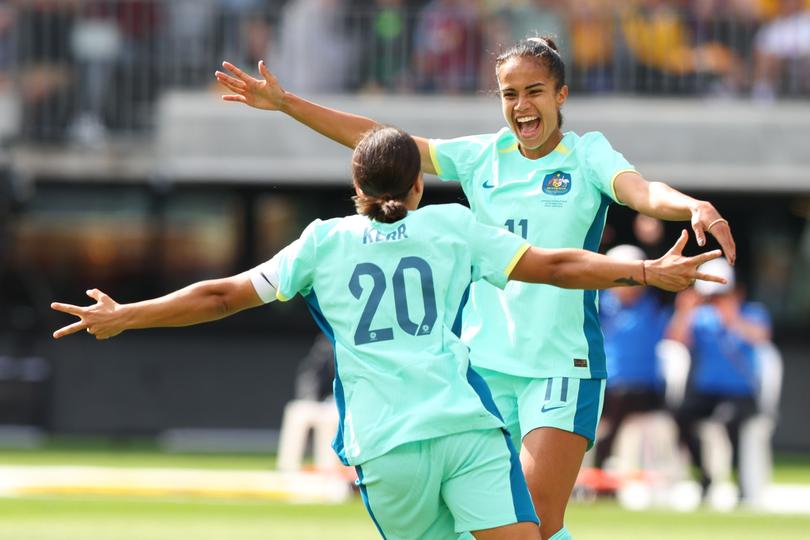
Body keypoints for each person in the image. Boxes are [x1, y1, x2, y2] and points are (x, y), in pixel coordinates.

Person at [51, 127, 724, 540]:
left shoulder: (323, 242)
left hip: (386, 446)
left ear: (355, 183)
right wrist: (643, 273)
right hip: (464, 431)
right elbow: (554, 265)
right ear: (418, 184)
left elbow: (223, 294)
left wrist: (127, 314)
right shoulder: (451, 226)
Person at [216, 38, 738, 540]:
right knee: (486, 528)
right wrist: (286, 104)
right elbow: (381, 142)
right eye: (510, 94)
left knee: (537, 521)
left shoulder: (587, 155)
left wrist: (689, 206)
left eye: (534, 91)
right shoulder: (480, 157)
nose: (521, 106)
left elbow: (641, 191)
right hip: (482, 369)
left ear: (561, 95)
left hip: (561, 366)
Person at [666, 258, 771, 502]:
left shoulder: (752, 312)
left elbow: (761, 336)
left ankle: (740, 483)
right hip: (706, 391)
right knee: (681, 416)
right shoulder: (700, 318)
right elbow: (676, 340)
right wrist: (685, 311)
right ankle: (703, 475)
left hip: (741, 392)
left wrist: (732, 318)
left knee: (730, 419)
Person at [593, 244, 669, 472]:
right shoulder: (597, 304)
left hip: (645, 389)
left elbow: (662, 271)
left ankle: (602, 469)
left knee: (623, 401)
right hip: (607, 386)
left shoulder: (655, 304)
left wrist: (653, 240)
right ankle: (597, 471)